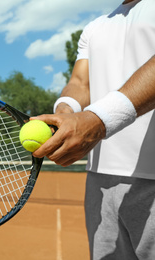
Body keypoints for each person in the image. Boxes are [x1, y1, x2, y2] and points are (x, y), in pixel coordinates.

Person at [31, 0, 155, 259]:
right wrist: (64, 111)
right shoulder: (95, 27)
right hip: (99, 182)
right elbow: (80, 83)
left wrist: (98, 120)